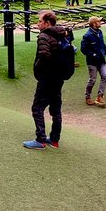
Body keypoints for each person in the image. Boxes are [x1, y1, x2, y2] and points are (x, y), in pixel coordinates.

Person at [24, 10, 70, 150]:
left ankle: (41, 139)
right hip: (58, 77)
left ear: (47, 23)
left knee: (37, 107)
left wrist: (37, 70)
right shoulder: (62, 34)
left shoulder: (44, 36)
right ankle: (54, 139)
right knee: (55, 108)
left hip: (47, 77)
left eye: (40, 21)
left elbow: (44, 55)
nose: (38, 24)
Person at [80, 16, 106, 107]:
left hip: (101, 60)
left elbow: (102, 44)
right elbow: (83, 49)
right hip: (92, 62)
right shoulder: (87, 36)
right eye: (99, 21)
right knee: (92, 80)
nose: (100, 23)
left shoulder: (100, 32)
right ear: (94, 24)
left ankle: (100, 96)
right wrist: (93, 55)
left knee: (105, 76)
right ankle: (87, 96)